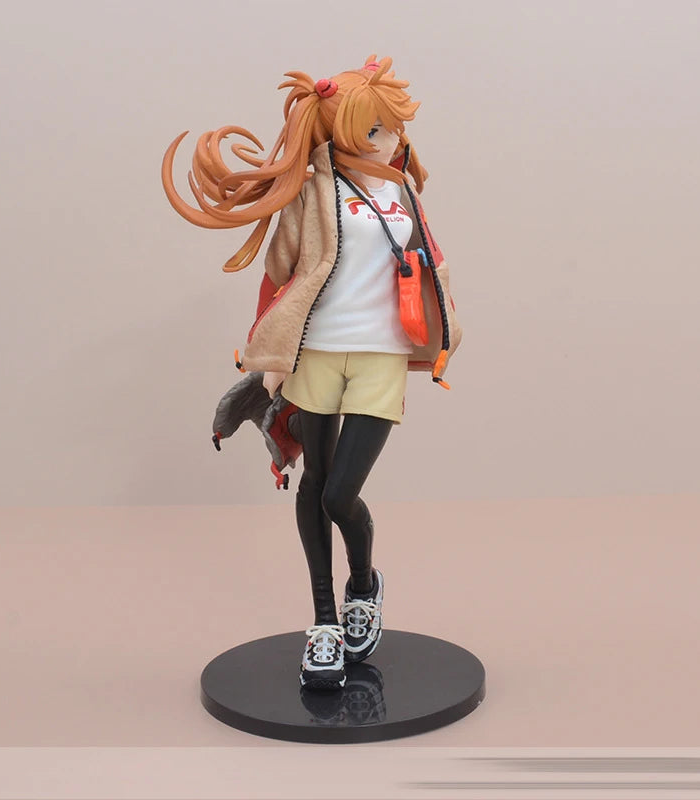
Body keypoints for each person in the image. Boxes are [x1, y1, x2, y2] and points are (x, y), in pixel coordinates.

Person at [162, 56, 462, 691]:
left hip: (380, 354)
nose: (389, 137)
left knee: (339, 494)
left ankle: (363, 587)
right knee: (315, 482)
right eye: (374, 129)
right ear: (340, 132)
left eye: (391, 126)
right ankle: (324, 621)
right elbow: (280, 272)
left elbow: (427, 264)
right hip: (318, 350)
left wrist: (444, 320)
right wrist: (269, 355)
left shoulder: (404, 191)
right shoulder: (312, 190)